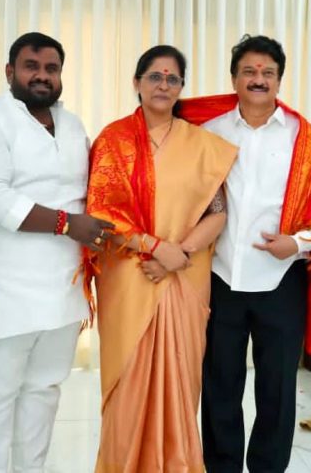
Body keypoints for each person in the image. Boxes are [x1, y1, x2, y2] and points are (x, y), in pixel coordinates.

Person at [179, 34, 311, 473]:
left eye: (267, 72)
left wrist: (297, 243)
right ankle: (222, 466)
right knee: (220, 385)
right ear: (234, 79)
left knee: (277, 389)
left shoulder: (305, 139)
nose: (258, 79)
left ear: (279, 80)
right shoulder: (210, 133)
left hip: (281, 281)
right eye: (249, 72)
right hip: (220, 278)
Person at [0, 32, 113, 473]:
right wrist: (67, 223)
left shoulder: (73, 124)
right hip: (5, 283)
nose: (42, 76)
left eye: (51, 68)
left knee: (44, 389)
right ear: (10, 71)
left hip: (64, 282)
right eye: (31, 66)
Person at [85, 45, 238, 472]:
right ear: (137, 83)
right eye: (155, 76)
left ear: (181, 87)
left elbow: (218, 212)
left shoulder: (201, 144)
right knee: (127, 385)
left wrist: (179, 254)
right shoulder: (113, 141)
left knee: (180, 384)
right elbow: (101, 213)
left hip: (184, 276)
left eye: (173, 79)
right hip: (128, 276)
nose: (163, 85)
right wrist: (154, 248)